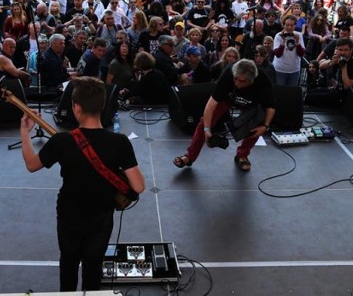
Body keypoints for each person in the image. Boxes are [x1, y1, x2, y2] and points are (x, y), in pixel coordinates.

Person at [19, 76, 145, 292]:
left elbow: (32, 165)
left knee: (68, 262)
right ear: (102, 105)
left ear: (76, 107)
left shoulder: (61, 141)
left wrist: (24, 133)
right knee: (93, 264)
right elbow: (139, 186)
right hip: (101, 216)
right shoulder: (120, 142)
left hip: (69, 215)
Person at [173, 59, 276, 172]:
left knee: (256, 127)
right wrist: (207, 129)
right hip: (227, 98)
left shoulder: (263, 79)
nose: (237, 83)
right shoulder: (228, 73)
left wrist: (265, 126)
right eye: (235, 79)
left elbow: (270, 106)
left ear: (251, 80)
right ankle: (189, 156)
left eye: (242, 81)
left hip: (251, 102)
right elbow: (210, 105)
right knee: (205, 122)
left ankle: (242, 155)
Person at [272, 15, 305, 86]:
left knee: (291, 92)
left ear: (295, 25)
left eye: (291, 25)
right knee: (280, 91)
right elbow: (277, 54)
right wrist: (283, 43)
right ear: (283, 25)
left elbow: (301, 54)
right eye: (287, 25)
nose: (289, 27)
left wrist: (297, 42)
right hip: (280, 69)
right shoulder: (278, 36)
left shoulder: (298, 35)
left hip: (294, 70)